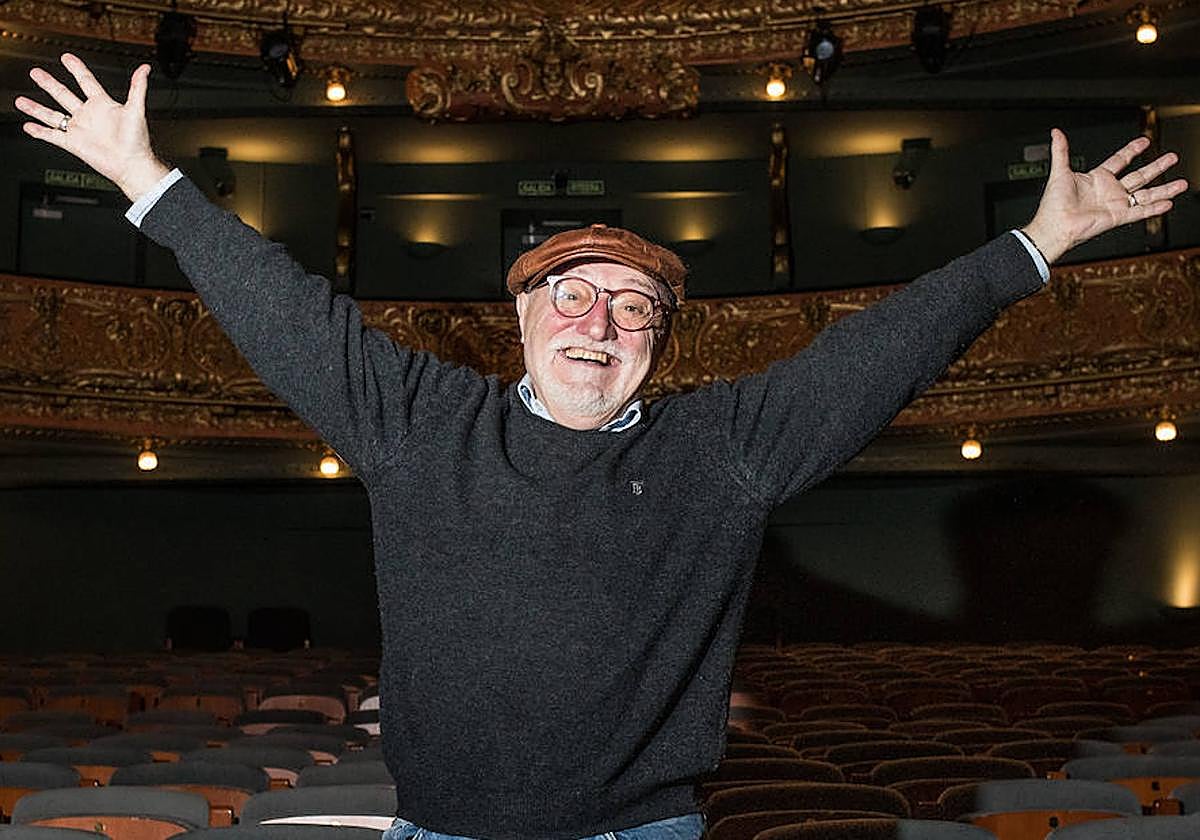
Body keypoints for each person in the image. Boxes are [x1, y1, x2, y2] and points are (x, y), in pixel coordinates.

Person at [15, 54, 1187, 840]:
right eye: (574, 296)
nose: (603, 324)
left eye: (636, 309)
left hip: (648, 831)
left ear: (657, 345)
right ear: (521, 316)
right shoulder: (422, 423)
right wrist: (142, 180)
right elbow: (283, 307)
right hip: (444, 829)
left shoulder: (721, 450)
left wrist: (1034, 244)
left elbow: (878, 350)